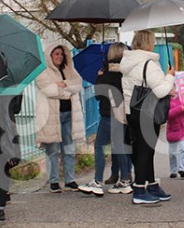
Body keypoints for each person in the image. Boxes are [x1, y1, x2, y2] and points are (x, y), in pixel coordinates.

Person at [121, 29, 176, 205]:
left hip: (133, 111)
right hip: (148, 112)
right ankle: (139, 189)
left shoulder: (128, 62)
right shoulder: (148, 64)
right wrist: (170, 77)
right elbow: (160, 91)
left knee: (145, 149)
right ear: (148, 43)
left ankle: (151, 184)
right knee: (146, 151)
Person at [83, 43, 133, 196]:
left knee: (99, 146)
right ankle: (125, 180)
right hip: (123, 114)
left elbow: (99, 95)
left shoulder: (106, 73)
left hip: (108, 113)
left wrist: (99, 78)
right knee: (120, 147)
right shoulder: (127, 72)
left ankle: (97, 181)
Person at [35, 43, 85, 193]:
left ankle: (70, 180)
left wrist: (63, 84)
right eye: (56, 54)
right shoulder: (43, 71)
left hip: (69, 114)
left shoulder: (69, 70)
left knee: (69, 148)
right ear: (50, 56)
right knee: (53, 150)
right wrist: (66, 91)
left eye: (61, 54)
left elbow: (77, 84)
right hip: (51, 116)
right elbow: (48, 89)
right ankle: (54, 181)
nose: (59, 57)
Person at [166, 92, 184, 179]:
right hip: (173, 128)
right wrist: (180, 108)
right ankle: (173, 170)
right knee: (173, 153)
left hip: (183, 127)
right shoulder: (166, 101)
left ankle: (183, 169)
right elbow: (168, 114)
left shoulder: (183, 98)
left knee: (183, 149)